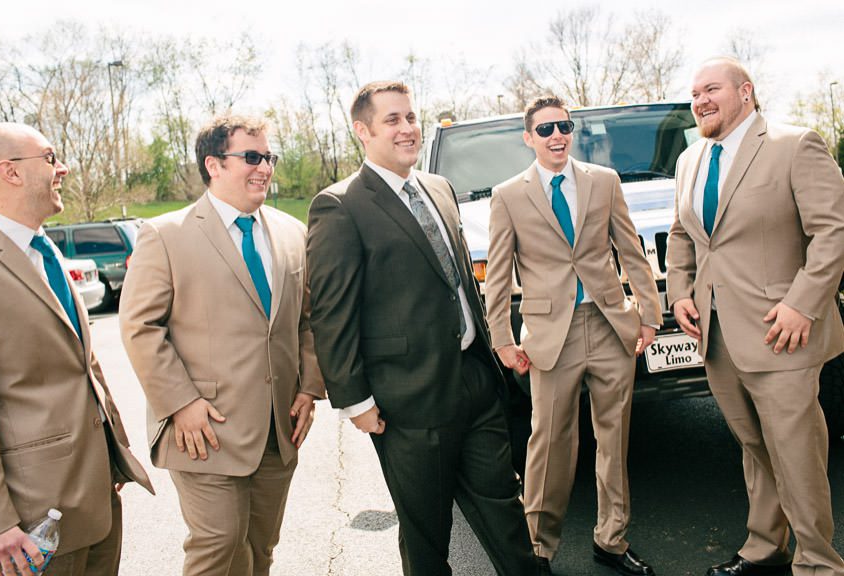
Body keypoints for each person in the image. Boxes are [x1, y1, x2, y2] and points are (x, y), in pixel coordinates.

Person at [306, 80, 539, 576]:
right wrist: (355, 401)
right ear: (362, 132)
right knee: (428, 535)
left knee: (505, 511)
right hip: (406, 401)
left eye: (411, 117)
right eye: (392, 120)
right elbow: (331, 313)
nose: (407, 128)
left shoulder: (438, 187)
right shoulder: (341, 205)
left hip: (474, 381)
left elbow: (458, 283)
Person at [0, 122, 153, 576]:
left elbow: (81, 365)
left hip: (93, 500)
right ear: (10, 171)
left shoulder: (44, 250)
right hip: (27, 526)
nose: (64, 168)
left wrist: (112, 461)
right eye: (51, 157)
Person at [119, 115, 324, 576]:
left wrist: (309, 389)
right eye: (251, 157)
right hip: (203, 428)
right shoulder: (165, 235)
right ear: (213, 164)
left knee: (260, 549)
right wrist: (181, 403)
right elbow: (139, 326)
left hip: (279, 429)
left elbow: (308, 321)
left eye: (268, 157)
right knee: (219, 546)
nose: (265, 168)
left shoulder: (292, 233)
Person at [667, 57, 844, 576]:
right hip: (717, 335)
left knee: (794, 453)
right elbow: (684, 236)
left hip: (783, 332)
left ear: (745, 92)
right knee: (755, 447)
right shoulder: (690, 160)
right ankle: (765, 546)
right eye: (695, 91)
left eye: (712, 88)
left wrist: (802, 303)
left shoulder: (795, 144)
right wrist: (679, 291)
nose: (700, 99)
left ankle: (818, 564)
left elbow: (833, 233)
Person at [485, 95, 661, 576]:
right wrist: (502, 338)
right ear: (529, 138)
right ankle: (538, 549)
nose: (556, 135)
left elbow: (631, 250)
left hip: (610, 325)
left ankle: (612, 539)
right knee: (549, 442)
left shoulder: (603, 181)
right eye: (545, 129)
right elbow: (498, 276)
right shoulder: (509, 195)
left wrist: (649, 313)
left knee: (614, 439)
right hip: (549, 336)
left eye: (563, 126)